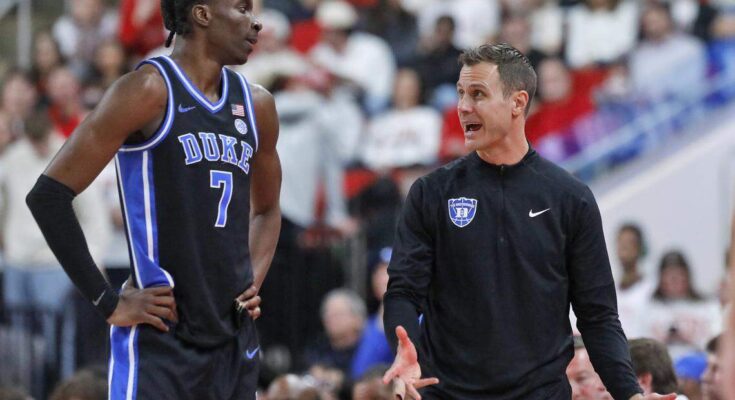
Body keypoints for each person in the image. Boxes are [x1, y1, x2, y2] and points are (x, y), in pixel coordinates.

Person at [380, 43, 675, 400]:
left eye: (478, 94)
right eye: (460, 94)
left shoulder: (570, 198)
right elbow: (403, 291)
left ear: (518, 103)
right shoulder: (430, 193)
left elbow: (598, 317)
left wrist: (630, 394)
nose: (463, 107)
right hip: (448, 394)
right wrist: (405, 349)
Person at [25, 0, 282, 399]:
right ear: (202, 14)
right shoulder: (147, 90)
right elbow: (48, 196)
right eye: (242, 8)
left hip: (233, 339)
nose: (256, 22)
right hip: (161, 340)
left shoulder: (257, 105)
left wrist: (252, 281)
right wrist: (108, 302)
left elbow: (266, 209)